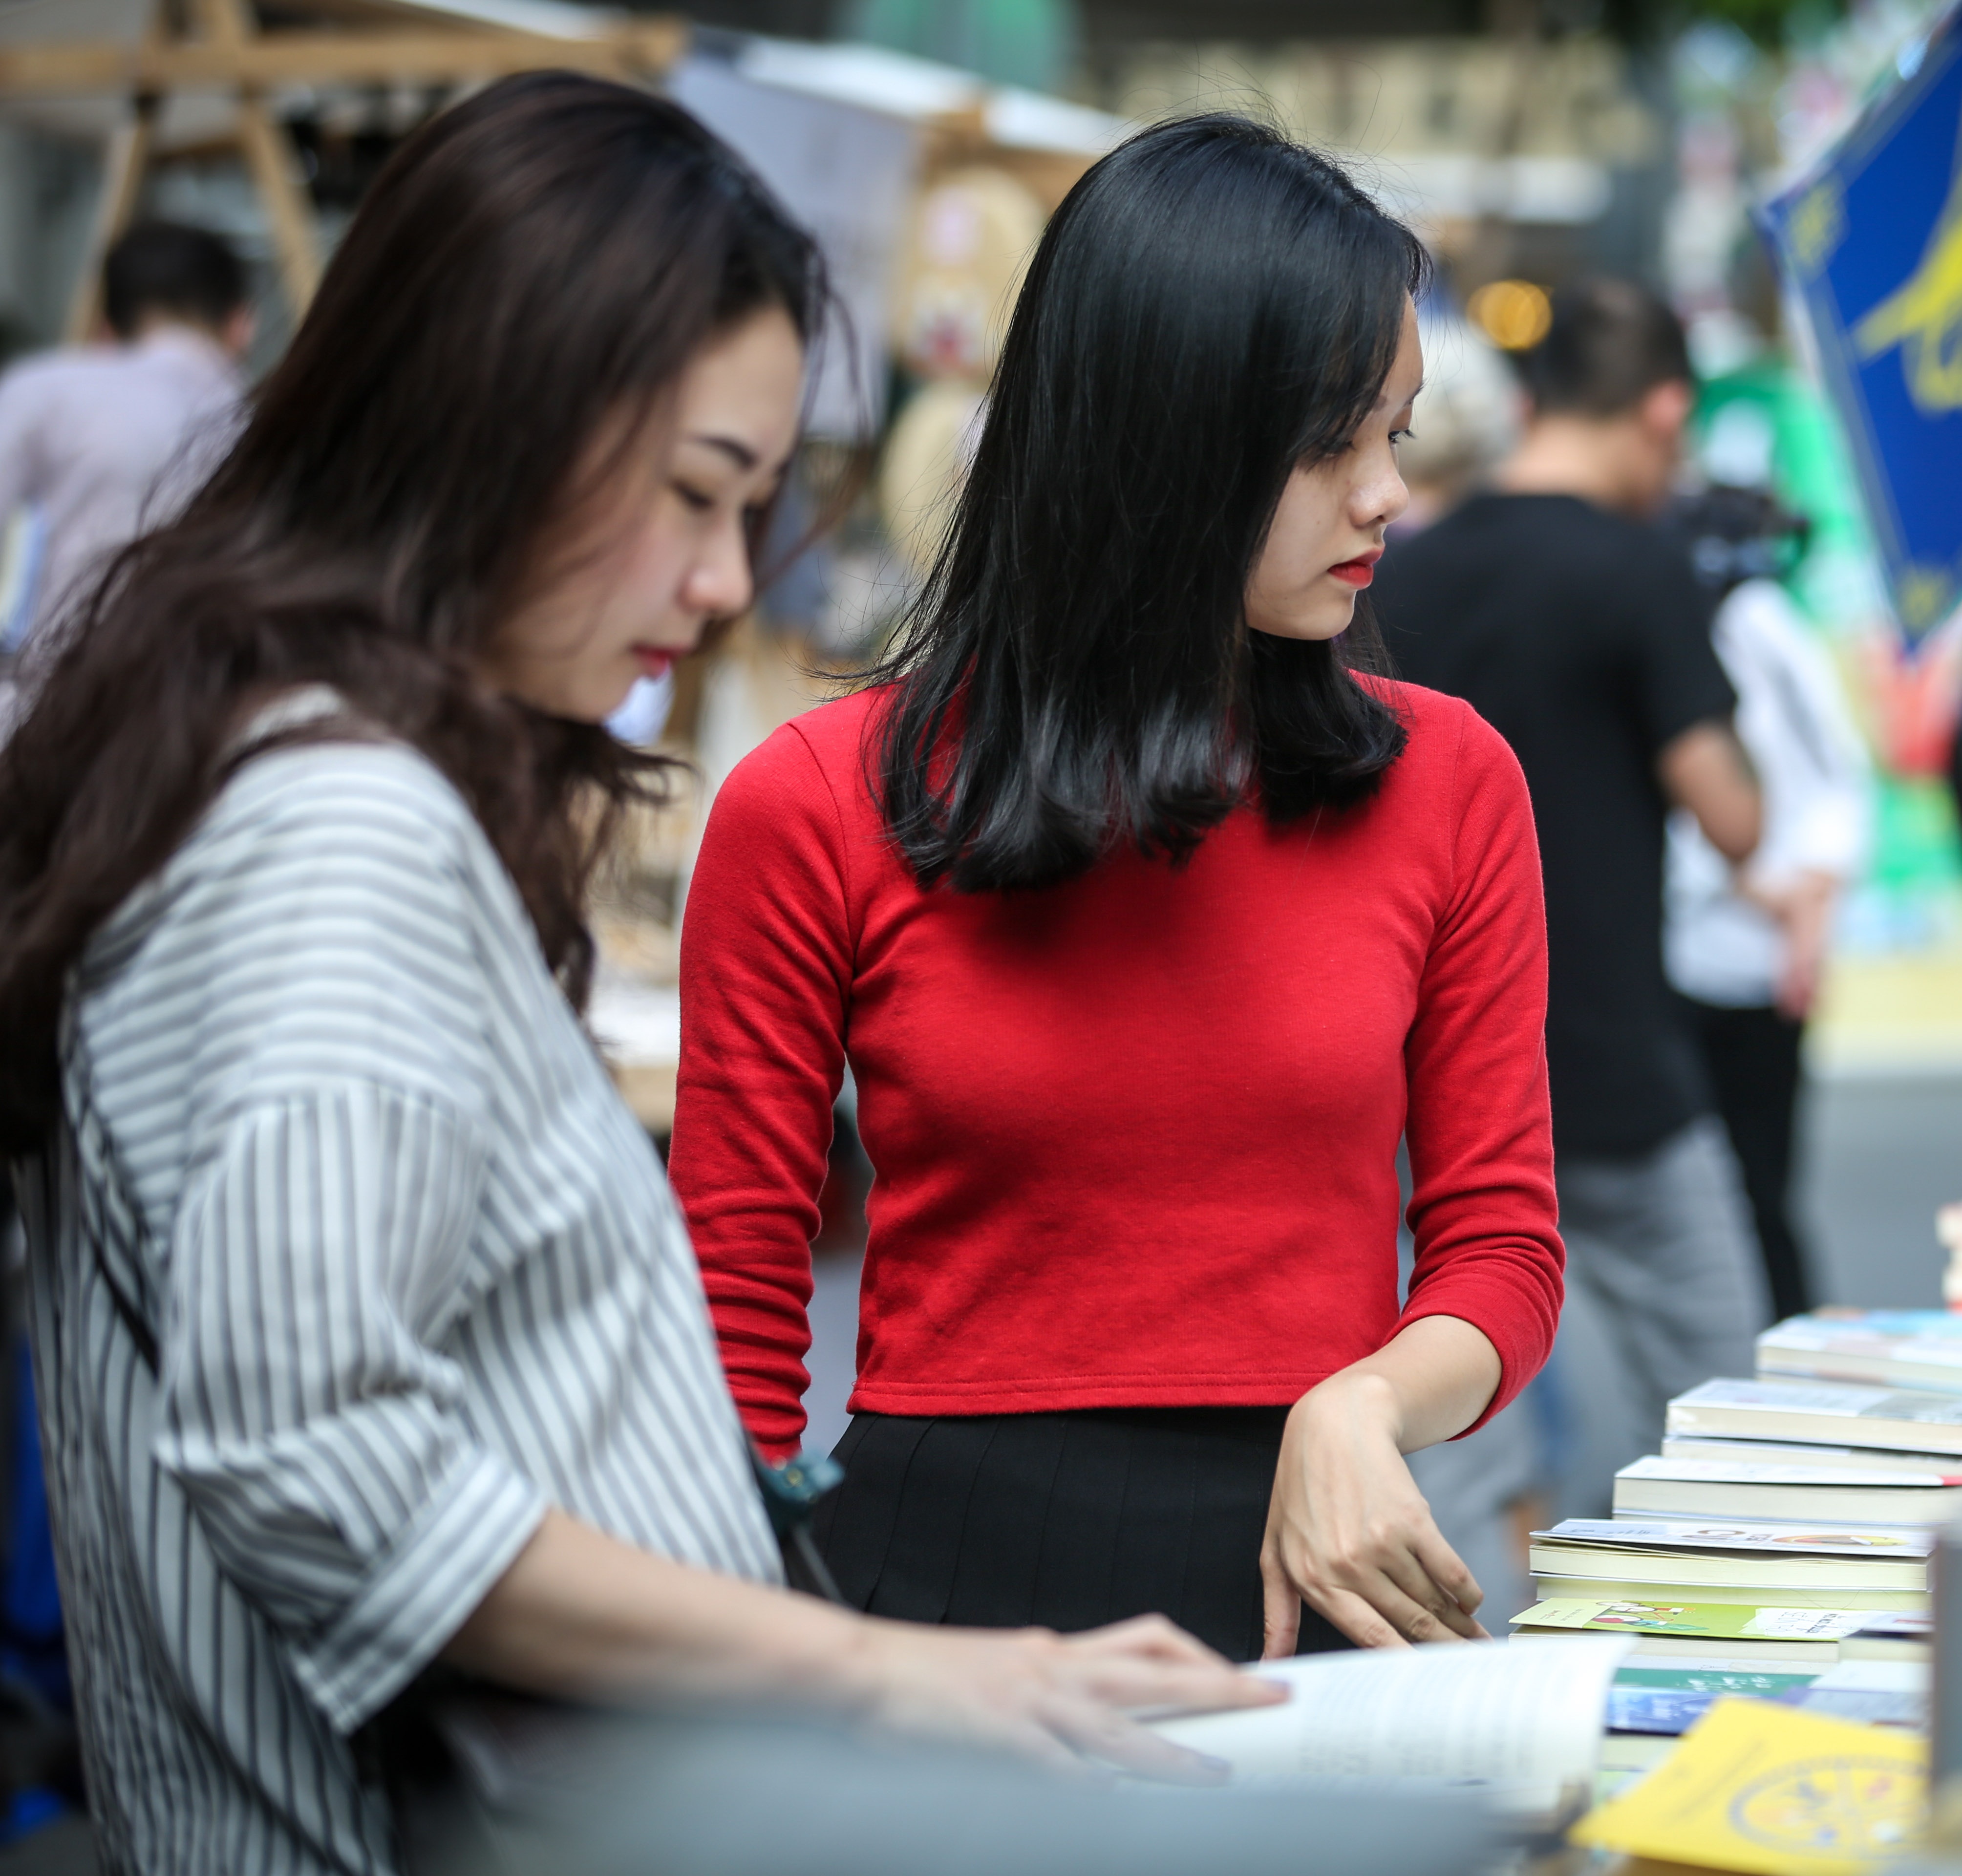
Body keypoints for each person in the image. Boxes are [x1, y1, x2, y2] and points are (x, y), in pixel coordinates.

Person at [0, 76, 1268, 1876]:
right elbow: (320, 1460)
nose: (724, 575)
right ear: (485, 423)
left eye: (750, 503)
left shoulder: (299, 769)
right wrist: (876, 1674)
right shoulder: (334, 830)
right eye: (694, 492)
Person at [669, 115, 1565, 1664]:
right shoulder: (816, 802)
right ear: (1167, 434)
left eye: (1398, 437)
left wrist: (1365, 1394)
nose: (1386, 497)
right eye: (1330, 442)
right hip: (931, 1604)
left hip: (1320, 1579)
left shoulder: (1451, 780)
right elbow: (734, 1320)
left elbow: (1502, 1240)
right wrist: (765, 1672)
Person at [1377, 279, 1770, 1542]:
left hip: (1429, 1067)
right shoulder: (1641, 571)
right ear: (1663, 411)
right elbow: (1735, 817)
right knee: (1727, 1413)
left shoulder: (1411, 565)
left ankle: (1448, 1709)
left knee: (1454, 1449)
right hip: (1610, 1066)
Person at [1661, 487, 1872, 1324]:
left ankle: (1782, 1353)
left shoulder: (1763, 626)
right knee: (1703, 1196)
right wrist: (1752, 885)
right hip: (1688, 951)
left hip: (1755, 957)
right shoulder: (1689, 623)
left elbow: (1834, 772)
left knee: (1761, 1183)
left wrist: (1807, 910)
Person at [0, 221, 253, 723]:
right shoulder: (269, 425)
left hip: (48, 706)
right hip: (213, 720)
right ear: (242, 325)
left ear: (104, 330)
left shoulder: (48, 389)